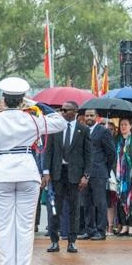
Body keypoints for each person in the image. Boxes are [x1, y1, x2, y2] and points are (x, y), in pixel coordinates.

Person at [0, 77, 67, 265]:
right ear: (22, 99)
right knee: (26, 226)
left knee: (4, 226)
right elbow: (61, 122)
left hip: (1, 173)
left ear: (4, 98)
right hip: (27, 172)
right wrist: (36, 104)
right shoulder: (32, 118)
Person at [42, 100, 90, 253]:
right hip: (57, 173)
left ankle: (72, 241)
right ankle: (54, 241)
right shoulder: (55, 129)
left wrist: (86, 175)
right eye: (62, 110)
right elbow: (48, 151)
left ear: (75, 112)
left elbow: (88, 155)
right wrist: (46, 172)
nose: (62, 112)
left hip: (75, 174)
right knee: (55, 208)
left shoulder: (83, 130)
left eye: (65, 110)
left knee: (74, 209)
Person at [80, 108, 115, 240]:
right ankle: (89, 230)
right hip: (84, 173)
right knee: (86, 202)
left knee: (100, 202)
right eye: (87, 115)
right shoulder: (82, 130)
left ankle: (101, 231)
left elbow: (111, 153)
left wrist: (105, 168)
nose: (89, 118)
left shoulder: (103, 131)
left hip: (99, 172)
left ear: (97, 117)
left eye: (91, 115)